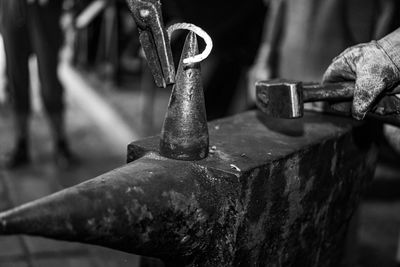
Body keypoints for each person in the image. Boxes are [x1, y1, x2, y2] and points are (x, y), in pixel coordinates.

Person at [0, 0, 75, 168]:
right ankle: (21, 143)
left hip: (44, 9)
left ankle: (60, 143)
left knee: (50, 81)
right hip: (11, 7)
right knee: (15, 78)